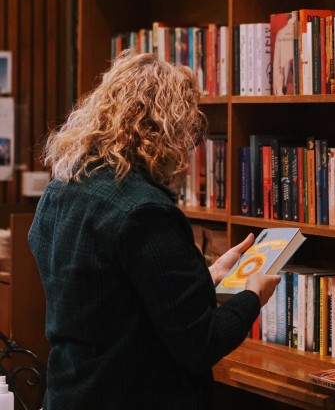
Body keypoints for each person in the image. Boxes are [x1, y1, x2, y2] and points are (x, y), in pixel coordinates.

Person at [28, 49, 280, 410]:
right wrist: (252, 296)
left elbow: (111, 297)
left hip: (70, 393)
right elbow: (201, 345)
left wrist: (207, 277)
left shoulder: (60, 190)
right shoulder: (144, 210)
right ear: (166, 128)